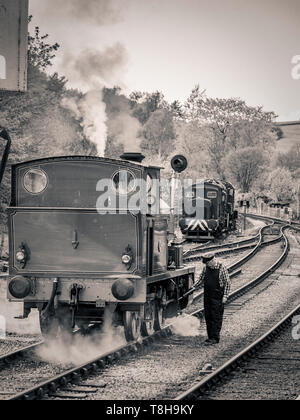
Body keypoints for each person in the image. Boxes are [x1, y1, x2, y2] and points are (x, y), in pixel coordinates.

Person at [194, 252, 231, 346]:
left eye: (207, 263)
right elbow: (201, 280)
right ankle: (210, 337)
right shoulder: (206, 268)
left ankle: (215, 337)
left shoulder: (221, 268)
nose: (206, 265)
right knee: (208, 316)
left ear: (212, 261)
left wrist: (225, 296)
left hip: (217, 296)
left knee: (216, 317)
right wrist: (193, 287)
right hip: (207, 295)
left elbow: (227, 283)